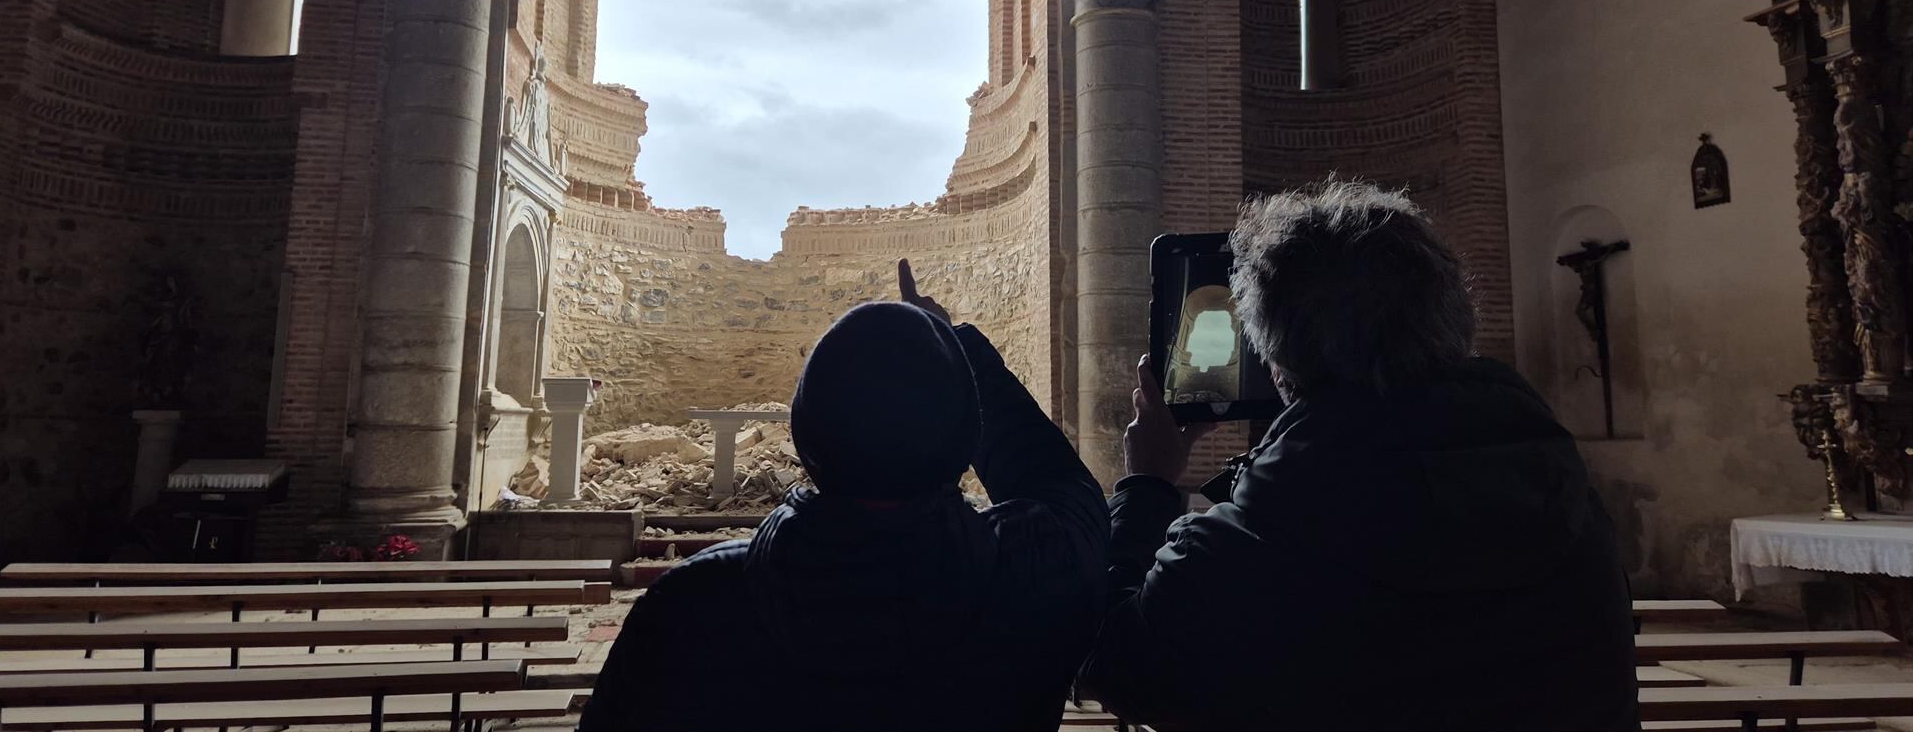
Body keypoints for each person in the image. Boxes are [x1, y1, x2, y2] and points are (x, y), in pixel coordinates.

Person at [1079, 180, 1638, 731]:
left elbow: (1114, 662)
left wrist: (1147, 485)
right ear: (1454, 320)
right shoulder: (1570, 508)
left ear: (1278, 364)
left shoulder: (1240, 555)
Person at [579, 261, 1108, 732]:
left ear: (808, 443)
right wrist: (954, 342)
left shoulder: (692, 605)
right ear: (966, 440)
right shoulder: (1036, 576)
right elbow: (1060, 484)